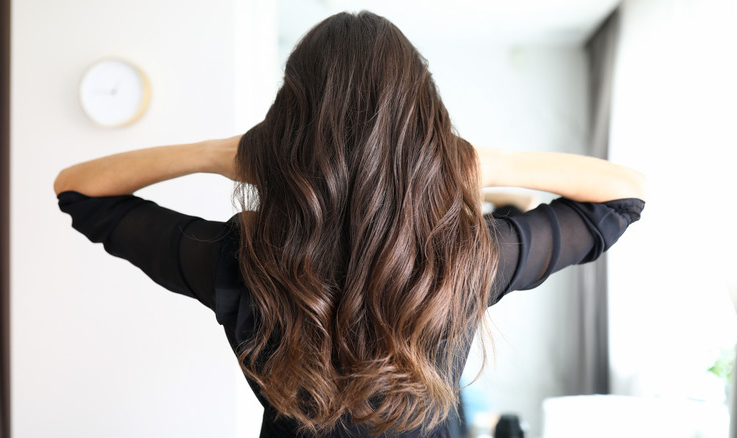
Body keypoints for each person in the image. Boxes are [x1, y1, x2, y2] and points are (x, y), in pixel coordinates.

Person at [54, 11, 646, 438]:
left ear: (288, 120)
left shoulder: (241, 257)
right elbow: (621, 198)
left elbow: (80, 190)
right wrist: (476, 163)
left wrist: (218, 152)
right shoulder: (465, 256)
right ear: (424, 120)